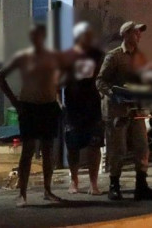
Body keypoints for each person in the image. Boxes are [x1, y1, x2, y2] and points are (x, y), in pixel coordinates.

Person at [0, 24, 62, 207]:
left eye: (40, 35)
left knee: (48, 151)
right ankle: (22, 194)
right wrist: (15, 102)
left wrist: (57, 98)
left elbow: (59, 80)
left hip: (48, 106)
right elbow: (0, 76)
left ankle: (47, 191)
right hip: (29, 107)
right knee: (28, 150)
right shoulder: (23, 56)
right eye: (34, 35)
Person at [96, 21, 152, 201]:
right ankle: (114, 185)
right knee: (117, 148)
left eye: (139, 33)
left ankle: (141, 185)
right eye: (135, 32)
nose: (139, 36)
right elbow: (100, 81)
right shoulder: (113, 57)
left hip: (136, 108)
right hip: (117, 109)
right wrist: (113, 93)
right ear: (125, 35)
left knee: (141, 146)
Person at [62, 22, 104, 195]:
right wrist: (60, 102)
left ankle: (93, 183)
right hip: (73, 105)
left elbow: (97, 74)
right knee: (73, 145)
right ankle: (74, 179)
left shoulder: (96, 54)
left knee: (94, 144)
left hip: (92, 104)